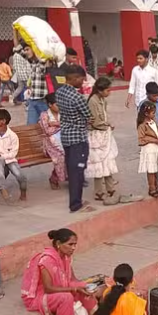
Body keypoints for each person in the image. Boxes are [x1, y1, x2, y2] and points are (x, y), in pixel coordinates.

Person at [21, 228, 98, 315]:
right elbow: (48, 289)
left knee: (84, 288)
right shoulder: (46, 260)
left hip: (59, 288)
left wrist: (84, 286)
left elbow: (73, 279)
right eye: (70, 244)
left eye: (75, 244)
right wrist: (74, 289)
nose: (73, 248)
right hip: (40, 295)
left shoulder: (66, 257)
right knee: (66, 297)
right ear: (58, 244)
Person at [57, 65, 93, 213]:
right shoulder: (77, 97)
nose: (82, 82)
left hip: (65, 136)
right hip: (78, 137)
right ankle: (76, 204)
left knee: (72, 170)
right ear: (73, 78)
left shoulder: (59, 92)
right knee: (78, 171)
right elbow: (88, 115)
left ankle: (75, 200)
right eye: (81, 79)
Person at [86, 77, 119, 203]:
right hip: (97, 135)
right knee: (98, 164)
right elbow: (96, 122)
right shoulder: (92, 101)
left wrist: (108, 124)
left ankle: (110, 188)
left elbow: (104, 117)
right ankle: (99, 192)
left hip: (105, 134)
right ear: (100, 90)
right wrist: (107, 125)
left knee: (108, 162)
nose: (109, 92)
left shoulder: (103, 100)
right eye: (107, 90)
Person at [137, 101, 158, 198]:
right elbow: (141, 140)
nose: (154, 114)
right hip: (149, 149)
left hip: (156, 148)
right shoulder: (142, 125)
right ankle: (152, 188)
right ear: (146, 114)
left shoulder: (154, 122)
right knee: (151, 170)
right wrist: (153, 140)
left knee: (155, 169)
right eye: (153, 113)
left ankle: (156, 186)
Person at [39, 94, 67, 190]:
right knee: (61, 158)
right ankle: (54, 178)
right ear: (50, 105)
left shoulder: (62, 113)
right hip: (50, 144)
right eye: (57, 104)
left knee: (72, 154)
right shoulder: (44, 115)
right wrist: (61, 126)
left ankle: (68, 177)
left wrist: (55, 124)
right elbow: (47, 131)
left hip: (64, 140)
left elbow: (69, 124)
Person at [0, 109, 27, 202]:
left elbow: (13, 153)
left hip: (10, 159)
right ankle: (2, 189)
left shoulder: (12, 136)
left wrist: (3, 156)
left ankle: (23, 193)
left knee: (20, 176)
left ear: (3, 121)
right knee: (0, 174)